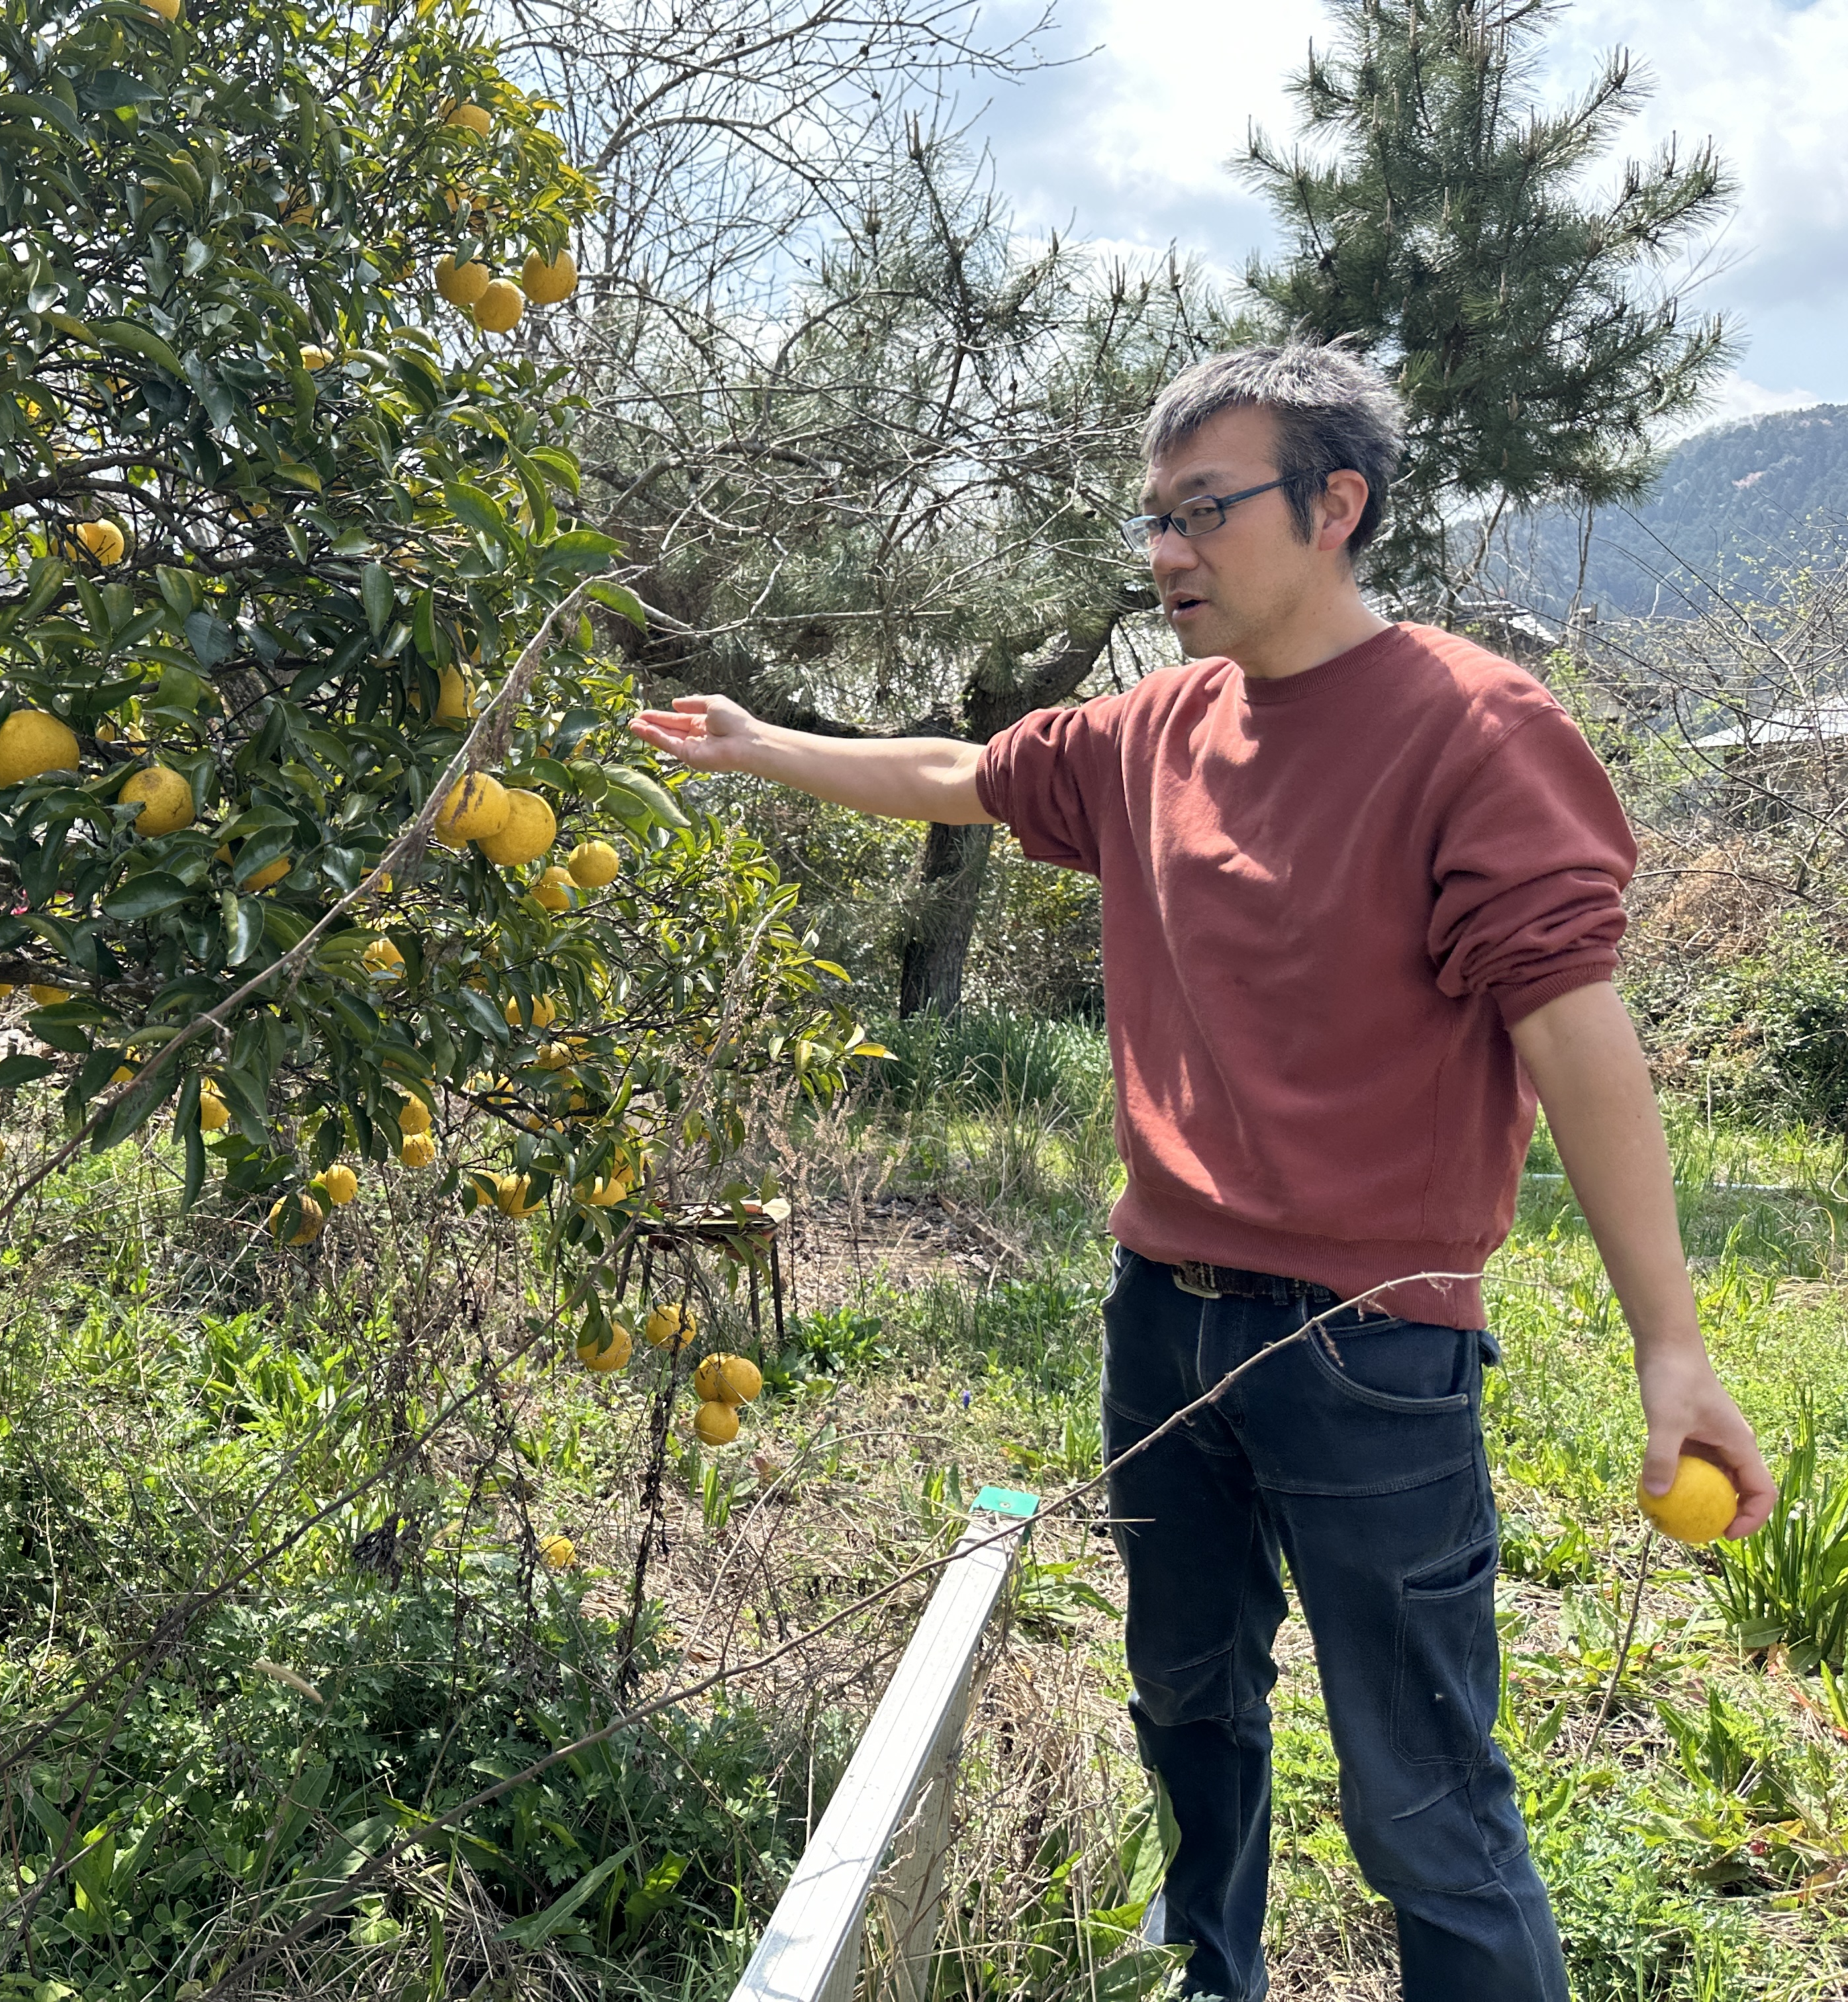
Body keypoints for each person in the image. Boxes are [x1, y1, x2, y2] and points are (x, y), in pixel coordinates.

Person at [628, 343, 1776, 2000]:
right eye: (1154, 516)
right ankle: (1210, 1977)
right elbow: (962, 775)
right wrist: (756, 744)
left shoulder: (1473, 727)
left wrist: (1671, 1339)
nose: (1165, 551)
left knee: (1423, 1802)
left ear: (1336, 506)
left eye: (1204, 510)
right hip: (1159, 1317)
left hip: (1370, 1347)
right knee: (1188, 1704)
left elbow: (1573, 1027)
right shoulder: (1152, 729)